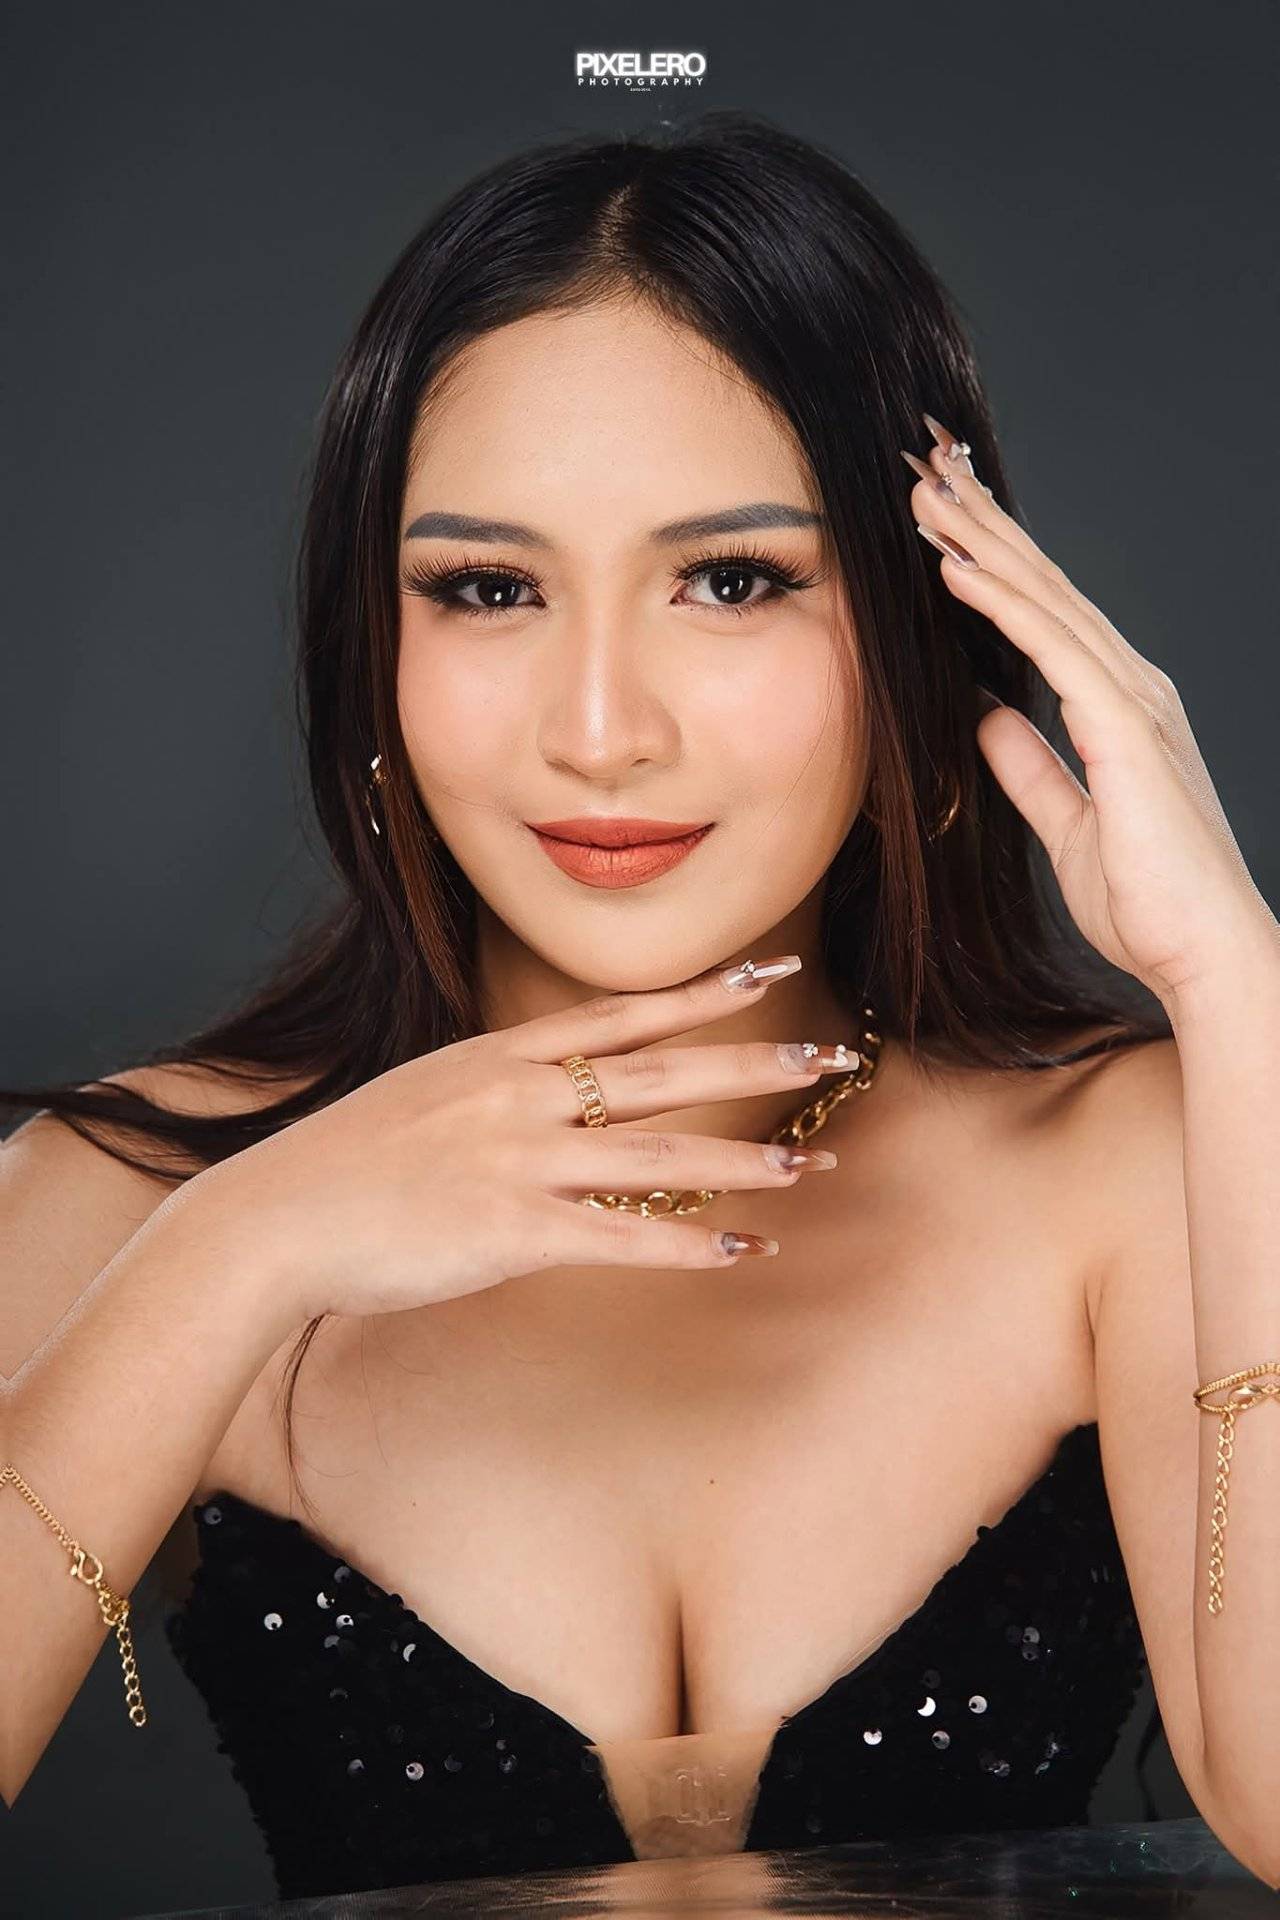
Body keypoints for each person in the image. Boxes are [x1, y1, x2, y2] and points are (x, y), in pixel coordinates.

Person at [4, 110, 1278, 1899]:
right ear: (372, 641)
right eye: (489, 588)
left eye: (732, 580)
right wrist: (235, 1255)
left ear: (923, 616)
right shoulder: (125, 1199)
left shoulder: (1139, 1163)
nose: (601, 729)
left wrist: (1239, 985)